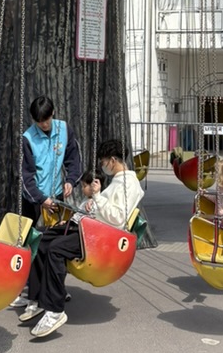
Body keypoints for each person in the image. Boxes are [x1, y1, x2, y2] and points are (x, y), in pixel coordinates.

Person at [13, 138, 144, 339]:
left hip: (99, 237)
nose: (102, 166)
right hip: (87, 226)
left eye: (103, 162)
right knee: (43, 239)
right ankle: (37, 298)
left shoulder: (130, 184)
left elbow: (117, 219)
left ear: (111, 160)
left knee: (56, 249)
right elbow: (100, 208)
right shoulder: (117, 181)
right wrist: (90, 203)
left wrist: (97, 198)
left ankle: (55, 310)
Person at [21, 96, 82, 223]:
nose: (44, 124)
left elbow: (74, 159)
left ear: (53, 112)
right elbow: (25, 176)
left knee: (56, 235)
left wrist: (70, 181)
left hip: (57, 195)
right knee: (29, 237)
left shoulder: (64, 129)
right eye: (39, 121)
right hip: (34, 198)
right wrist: (41, 199)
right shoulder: (27, 138)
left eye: (46, 119)